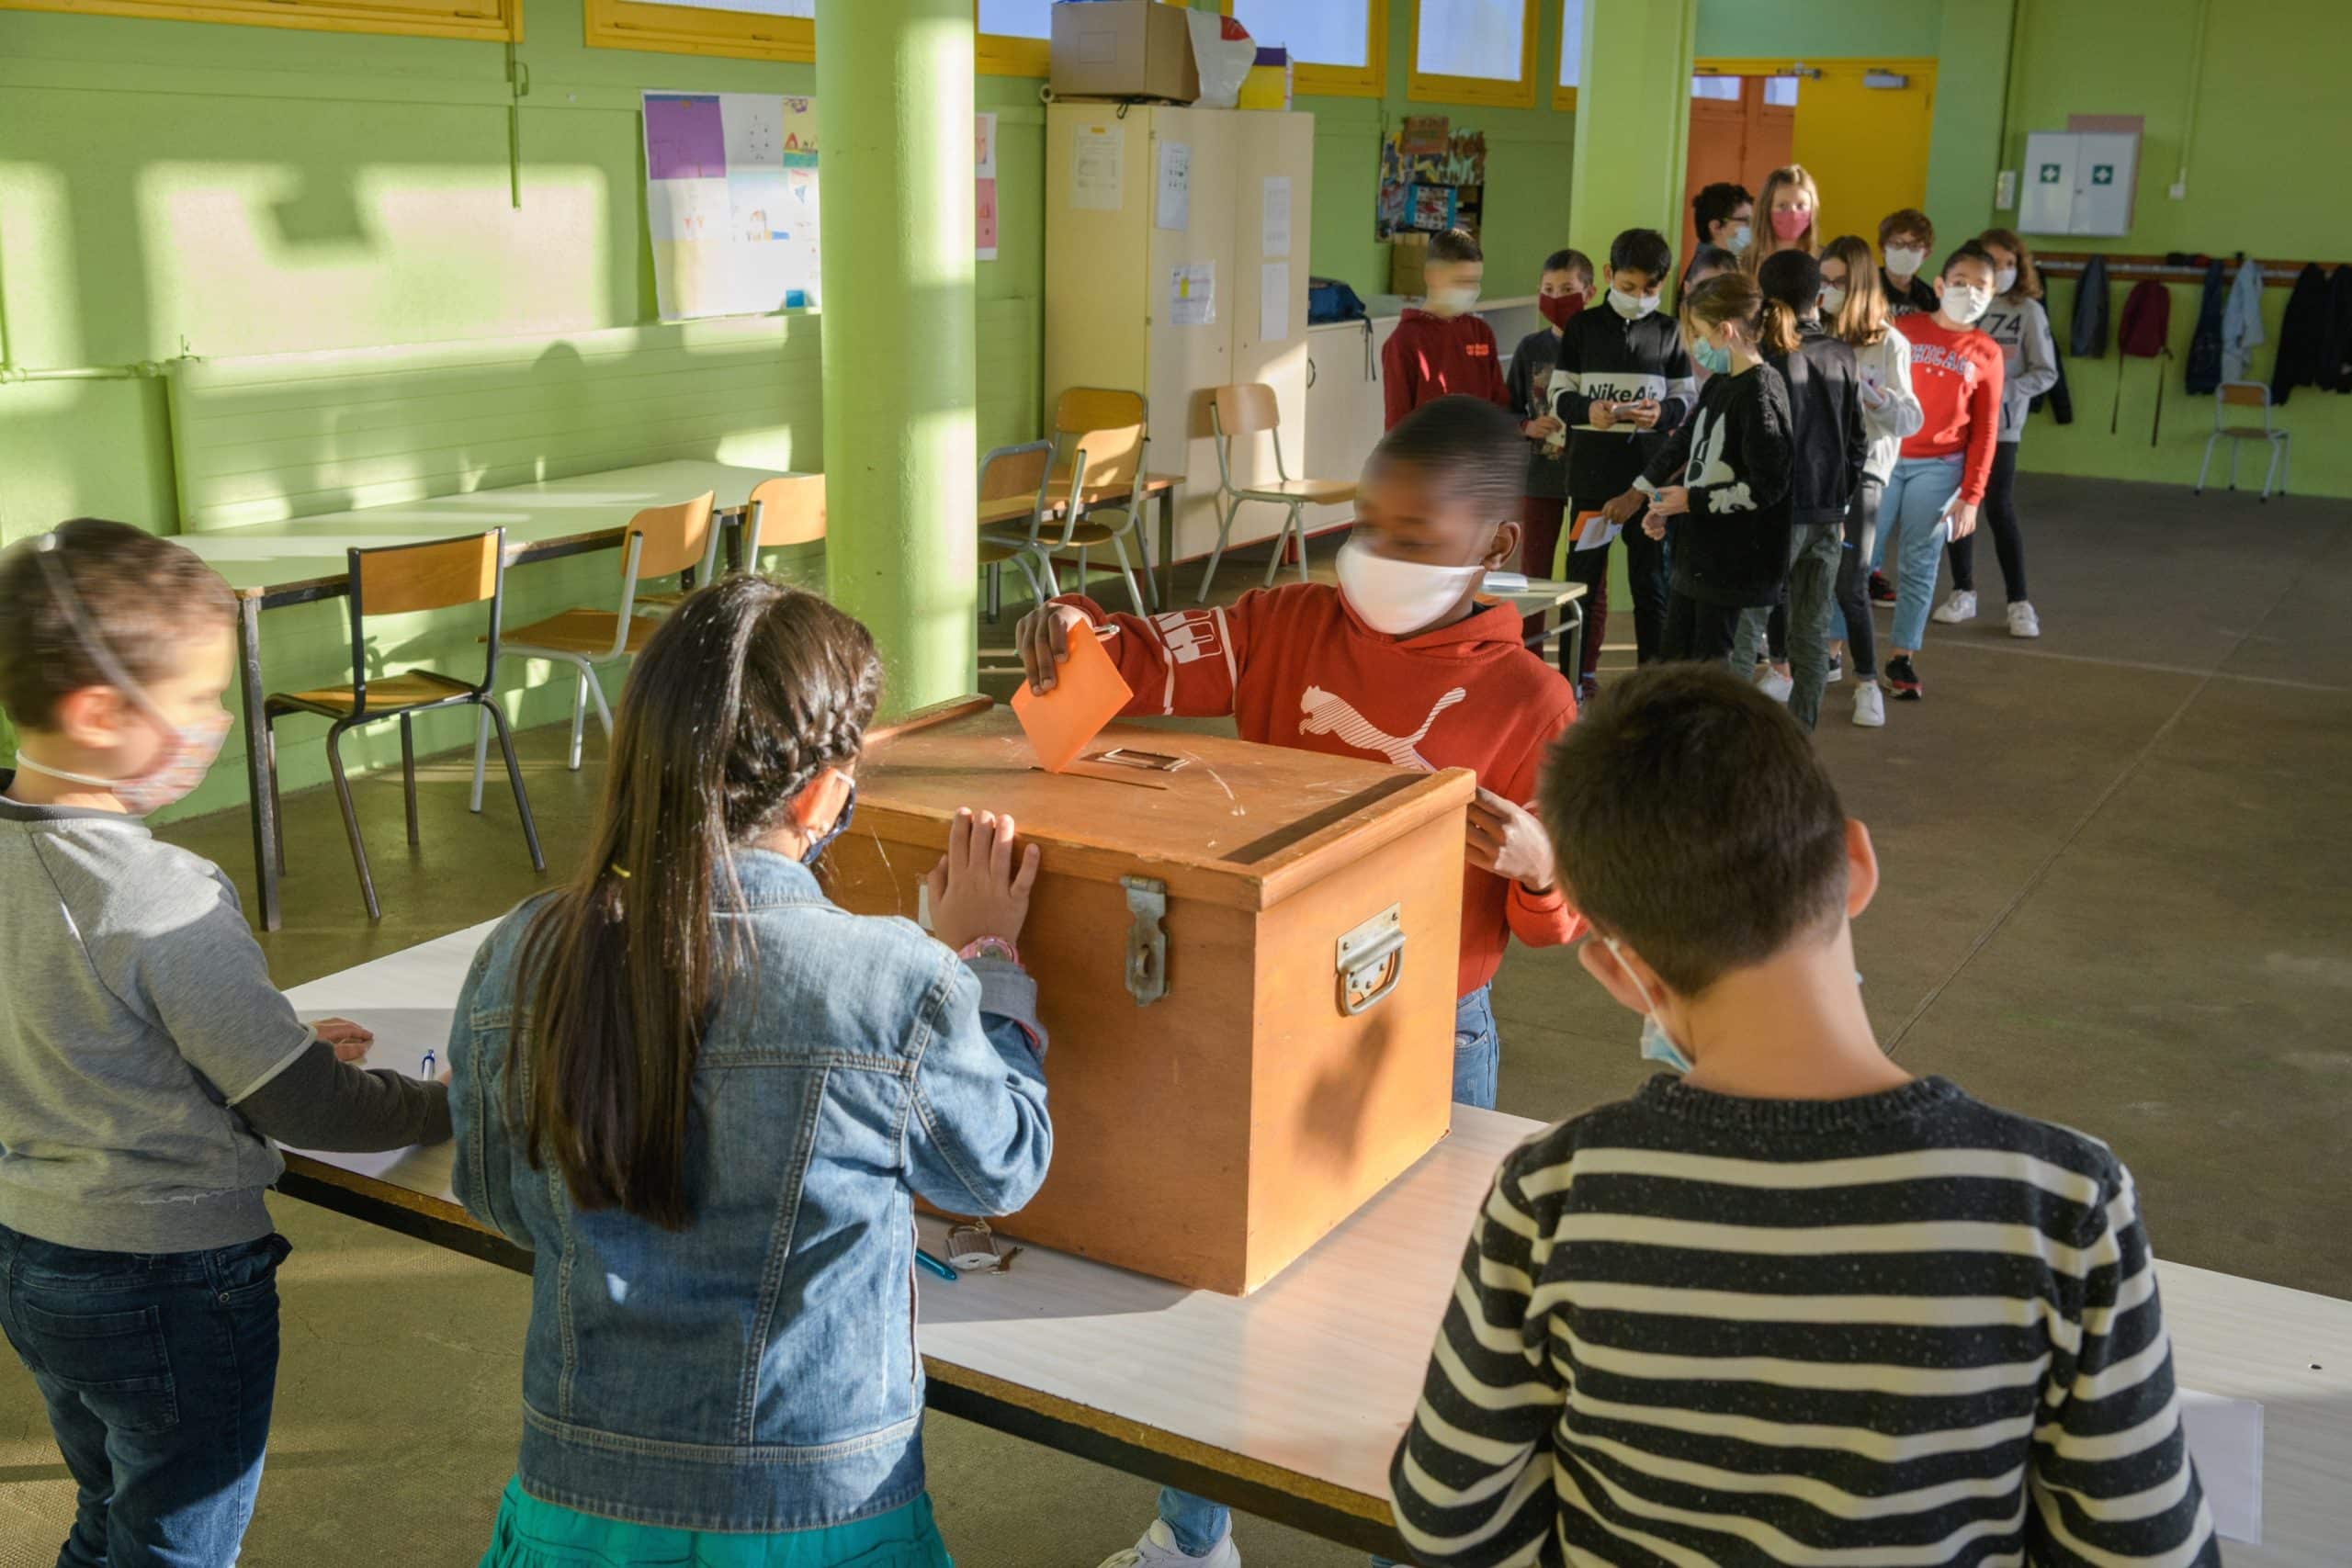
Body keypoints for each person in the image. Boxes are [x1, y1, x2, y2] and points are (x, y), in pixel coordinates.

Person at [1387, 663, 2221, 1568]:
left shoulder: (1554, 1194)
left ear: (1618, 973)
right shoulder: (2060, 1201)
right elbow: (2148, 1552)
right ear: (1856, 864)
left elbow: (1443, 1515)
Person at [1023, 397, 1583, 1568]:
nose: (1379, 555)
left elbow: (1555, 922)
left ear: (1497, 550)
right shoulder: (1280, 622)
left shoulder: (1531, 702)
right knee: (1213, 1296)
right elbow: (1138, 655)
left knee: (1418, 1325)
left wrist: (1533, 865)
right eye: (1368, 523)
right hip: (1253, 1016)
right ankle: (1191, 1541)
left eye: (1418, 536)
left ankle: (1406, 1538)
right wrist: (1070, 625)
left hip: (1427, 1032)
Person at [450, 578, 1053, 1567]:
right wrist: (984, 965)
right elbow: (1000, 1169)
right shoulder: (897, 976)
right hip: (818, 1499)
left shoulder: (523, 948)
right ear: (823, 792)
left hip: (582, 1493)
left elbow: (496, 1198)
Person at [0, 518, 451, 1568]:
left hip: (33, 1257)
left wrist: (257, 1035)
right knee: (176, 1548)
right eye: (200, 698)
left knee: (110, 1512)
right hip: (168, 1278)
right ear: (103, 710)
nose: (218, 721)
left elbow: (69, 1014)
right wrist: (456, 1099)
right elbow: (309, 1112)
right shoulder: (161, 893)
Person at [1550, 228, 1696, 678]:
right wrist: (1588, 409)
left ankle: (1650, 684)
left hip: (1651, 479)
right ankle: (1570, 681)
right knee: (1580, 586)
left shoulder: (1669, 331)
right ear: (1610, 275)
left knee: (1651, 586)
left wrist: (1663, 412)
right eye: (1629, 287)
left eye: (1650, 289)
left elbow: (1687, 398)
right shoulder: (1583, 326)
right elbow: (1558, 394)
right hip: (1591, 477)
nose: (1639, 297)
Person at [1727, 250, 1863, 731]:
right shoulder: (1841, 354)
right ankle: (1801, 733)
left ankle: (1733, 734)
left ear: (1762, 297)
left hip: (1772, 513)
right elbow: (1856, 441)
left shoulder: (1759, 354)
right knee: (1812, 627)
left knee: (1746, 625)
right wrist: (1840, 500)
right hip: (1826, 510)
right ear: (1819, 296)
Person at [1633, 272, 1793, 667]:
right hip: (1697, 555)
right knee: (1674, 660)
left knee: (1708, 666)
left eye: (1699, 334)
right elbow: (1690, 443)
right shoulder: (1720, 382)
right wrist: (1660, 501)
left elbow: (1767, 486)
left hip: (1731, 562)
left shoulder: (1761, 391)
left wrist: (1691, 501)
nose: (1695, 346)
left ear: (1725, 330)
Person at [1881, 242, 2005, 702]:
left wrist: (1972, 495)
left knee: (1920, 563)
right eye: (1959, 283)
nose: (1968, 292)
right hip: (1886, 457)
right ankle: (1834, 648)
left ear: (1992, 295)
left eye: (1980, 287)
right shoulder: (1902, 329)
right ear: (1939, 285)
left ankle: (1902, 657)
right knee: (1858, 557)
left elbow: (1986, 429)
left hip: (1940, 466)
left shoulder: (1987, 352)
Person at [1819, 232, 1924, 728]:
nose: (1829, 290)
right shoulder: (1812, 334)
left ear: (1861, 285)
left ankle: (1866, 682)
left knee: (1851, 579)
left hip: (1865, 473)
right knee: (1799, 573)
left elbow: (1910, 419)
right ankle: (1795, 664)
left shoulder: (1889, 342)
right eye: (1823, 281)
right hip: (1817, 469)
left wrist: (1876, 398)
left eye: (1839, 282)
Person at [1935, 225, 2056, 638]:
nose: (2001, 271)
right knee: (1956, 506)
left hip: (2001, 429)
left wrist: (2005, 391)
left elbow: (2046, 372)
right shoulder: (1960, 307)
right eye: (1993, 261)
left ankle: (2019, 602)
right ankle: (1963, 591)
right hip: (1955, 427)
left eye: (2009, 264)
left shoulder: (2029, 312)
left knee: (1998, 507)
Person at [1505, 247, 1596, 669]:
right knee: (1533, 576)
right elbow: (1507, 409)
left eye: (1567, 290)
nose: (1556, 297)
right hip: (1540, 478)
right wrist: (1526, 426)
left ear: (1589, 292)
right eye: (1548, 289)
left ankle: (1581, 671)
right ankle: (1529, 665)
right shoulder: (1530, 347)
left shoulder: (1602, 345)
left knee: (1587, 579)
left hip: (1591, 480)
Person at [1382, 227, 1508, 427]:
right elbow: (1397, 422)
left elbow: (1499, 402)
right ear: (1432, 276)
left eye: (1475, 282)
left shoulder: (1481, 333)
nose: (1471, 290)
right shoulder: (1405, 340)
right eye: (1461, 282)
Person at [1747, 163, 1823, 272]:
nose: (1793, 213)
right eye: (1782, 206)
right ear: (1766, 209)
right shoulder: (1746, 261)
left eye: (1801, 206)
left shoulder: (1824, 261)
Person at [1877, 206, 1939, 318]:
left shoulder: (1930, 298)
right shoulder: (1864, 286)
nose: (1905, 251)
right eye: (1897, 244)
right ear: (1883, 248)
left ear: (1926, 254)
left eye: (1914, 246)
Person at [1690, 179, 1753, 258]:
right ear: (1716, 227)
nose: (1753, 227)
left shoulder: (1721, 264)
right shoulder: (1709, 269)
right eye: (1747, 221)